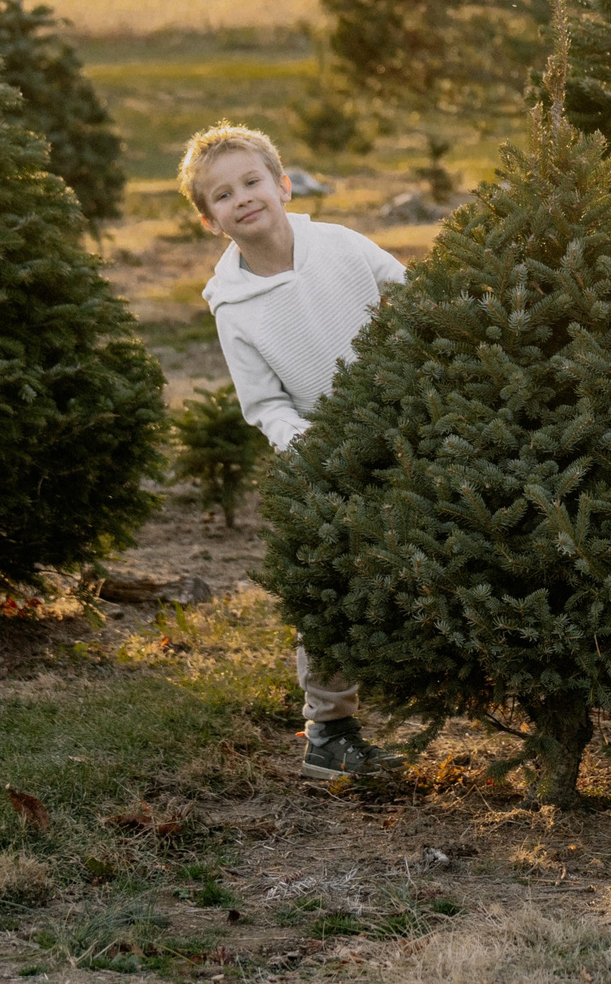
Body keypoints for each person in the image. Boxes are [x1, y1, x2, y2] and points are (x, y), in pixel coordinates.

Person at [184, 121, 407, 780]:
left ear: (282, 185)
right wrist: (309, 446)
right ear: (211, 220)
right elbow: (265, 404)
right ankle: (330, 729)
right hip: (326, 455)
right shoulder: (233, 306)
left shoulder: (340, 245)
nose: (243, 197)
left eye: (252, 181)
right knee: (328, 576)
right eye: (222, 194)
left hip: (408, 423)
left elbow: (414, 299)